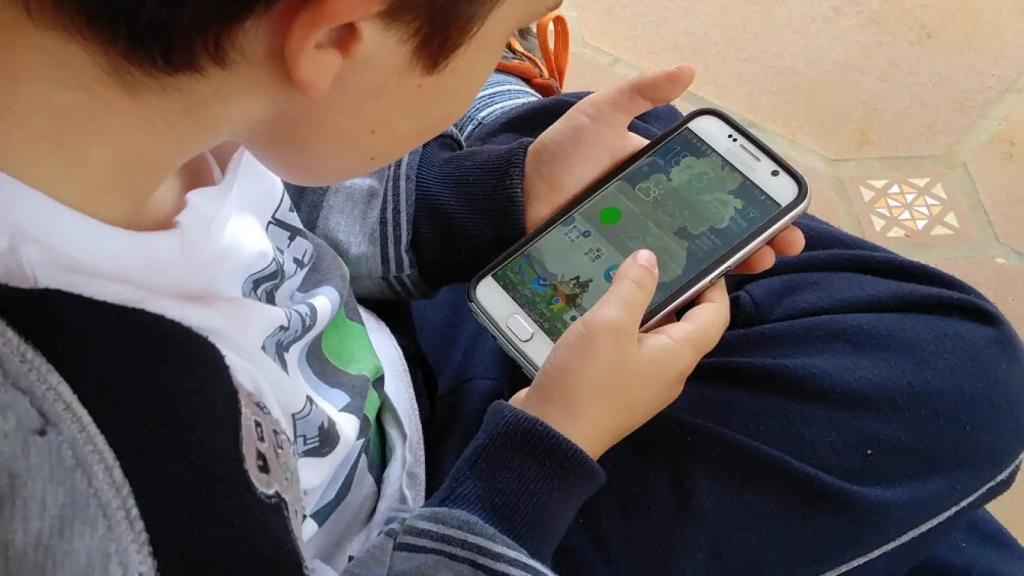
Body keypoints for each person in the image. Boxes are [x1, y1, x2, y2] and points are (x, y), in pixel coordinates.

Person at [0, 0, 1020, 574]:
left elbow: (282, 218)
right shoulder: (93, 487)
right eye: (509, 30)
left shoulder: (118, 100)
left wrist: (489, 198)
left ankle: (484, 126)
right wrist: (546, 451)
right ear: (332, 36)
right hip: (447, 521)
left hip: (386, 364)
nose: (526, 33)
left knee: (630, 168)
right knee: (955, 384)